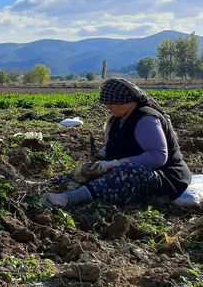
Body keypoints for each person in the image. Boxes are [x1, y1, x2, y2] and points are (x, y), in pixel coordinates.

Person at [44, 77, 191, 207]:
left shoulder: (146, 119)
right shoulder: (118, 119)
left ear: (123, 102)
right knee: (87, 168)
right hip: (137, 170)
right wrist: (102, 155)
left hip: (165, 178)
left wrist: (117, 163)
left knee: (127, 172)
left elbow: (158, 156)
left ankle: (70, 198)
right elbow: (116, 144)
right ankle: (47, 185)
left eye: (110, 104)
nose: (108, 107)